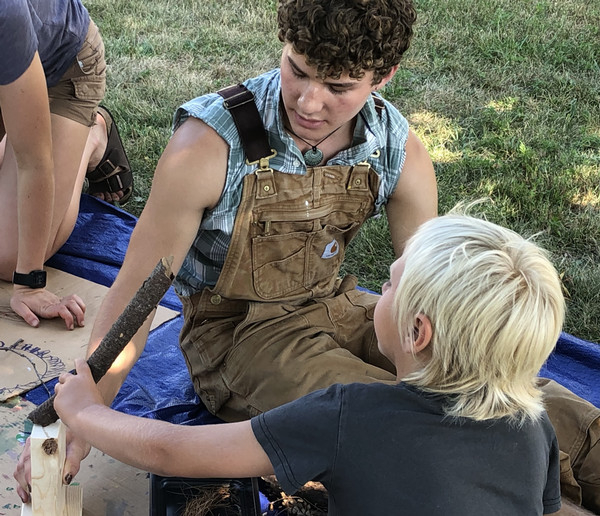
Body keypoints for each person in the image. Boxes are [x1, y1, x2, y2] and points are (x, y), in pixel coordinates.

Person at [14, 0, 600, 510]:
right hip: (239, 340)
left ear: (383, 75)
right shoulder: (207, 145)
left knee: (552, 410)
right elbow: (137, 295)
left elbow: (430, 290)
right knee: (400, 428)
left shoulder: (398, 149)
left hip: (344, 309)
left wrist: (480, 370)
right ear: (283, 43)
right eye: (298, 70)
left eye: (340, 86)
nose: (310, 101)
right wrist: (84, 412)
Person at [51, 214, 569, 515]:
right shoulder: (535, 426)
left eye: (387, 285)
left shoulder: (350, 413)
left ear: (417, 332)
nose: (377, 292)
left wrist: (85, 411)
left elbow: (173, 451)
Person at [0, 0, 133, 329]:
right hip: (12, 67)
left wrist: (28, 283)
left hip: (64, 70)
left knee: (8, 258)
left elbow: (35, 162)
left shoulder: (5, 13)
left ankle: (92, 137)